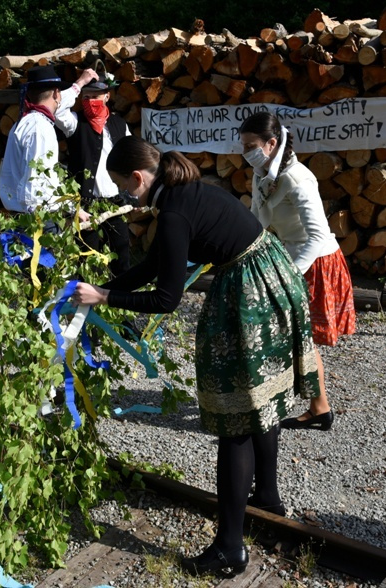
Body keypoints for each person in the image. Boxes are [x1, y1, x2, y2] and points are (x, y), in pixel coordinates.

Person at [72, 136, 320, 576]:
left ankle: (229, 549)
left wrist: (105, 297)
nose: (127, 198)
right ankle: (267, 498)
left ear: (137, 177)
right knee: (261, 402)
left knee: (236, 418)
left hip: (250, 290)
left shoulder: (171, 213)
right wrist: (104, 288)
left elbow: (165, 299)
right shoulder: (184, 192)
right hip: (273, 276)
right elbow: (153, 266)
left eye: (125, 187)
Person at [238, 111, 356, 431]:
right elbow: (257, 220)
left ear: (271, 143)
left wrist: (289, 273)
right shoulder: (262, 173)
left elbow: (317, 236)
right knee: (292, 337)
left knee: (301, 338)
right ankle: (314, 405)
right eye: (243, 145)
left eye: (250, 146)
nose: (245, 152)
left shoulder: (298, 178)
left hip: (314, 261)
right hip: (289, 255)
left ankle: (316, 407)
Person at [54, 71, 132, 275]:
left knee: (121, 257)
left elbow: (131, 157)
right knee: (88, 263)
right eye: (86, 97)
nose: (90, 101)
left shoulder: (119, 124)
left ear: (107, 96)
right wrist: (79, 84)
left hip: (115, 203)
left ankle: (120, 293)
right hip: (85, 205)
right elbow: (56, 109)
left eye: (95, 96)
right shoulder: (74, 122)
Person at [0, 64, 97, 216]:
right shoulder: (39, 128)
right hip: (36, 217)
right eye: (59, 92)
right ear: (56, 93)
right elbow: (38, 183)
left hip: (22, 213)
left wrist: (79, 84)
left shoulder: (24, 121)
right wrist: (72, 209)